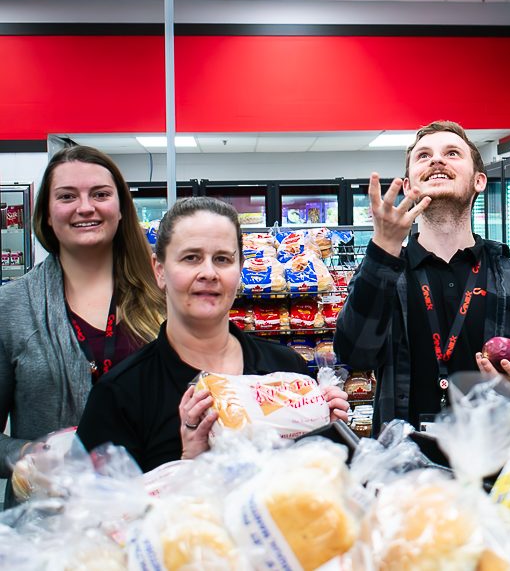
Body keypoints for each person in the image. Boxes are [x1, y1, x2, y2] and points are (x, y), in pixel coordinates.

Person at [76, 197, 349, 472]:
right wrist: (190, 463)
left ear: (240, 269)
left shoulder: (288, 370)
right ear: (159, 270)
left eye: (222, 259)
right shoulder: (119, 395)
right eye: (191, 257)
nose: (208, 272)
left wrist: (327, 432)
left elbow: (315, 492)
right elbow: (99, 509)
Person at [335, 120, 510, 429]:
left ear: (479, 181)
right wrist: (384, 247)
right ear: (410, 184)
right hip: (404, 466)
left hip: (497, 471)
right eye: (423, 155)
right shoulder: (384, 273)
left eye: (452, 153)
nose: (436, 160)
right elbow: (354, 354)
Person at [0, 146, 164, 504]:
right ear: (46, 213)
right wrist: (27, 452)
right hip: (52, 530)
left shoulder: (162, 297)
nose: (85, 207)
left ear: (121, 210)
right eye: (67, 196)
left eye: (101, 194)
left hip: (155, 518)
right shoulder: (10, 307)